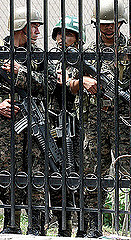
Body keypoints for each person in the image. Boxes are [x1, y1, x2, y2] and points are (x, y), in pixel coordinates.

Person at [67, 0, 131, 237]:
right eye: (103, 23)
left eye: (113, 23)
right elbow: (67, 81)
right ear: (96, 25)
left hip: (125, 121)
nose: (108, 27)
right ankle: (91, 226)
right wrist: (82, 81)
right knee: (93, 173)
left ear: (121, 23)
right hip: (94, 121)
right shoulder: (87, 53)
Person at [0, 7, 56, 235]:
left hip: (34, 120)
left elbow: (51, 85)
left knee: (37, 171)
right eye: (33, 26)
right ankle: (11, 222)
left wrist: (22, 72)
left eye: (38, 26)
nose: (38, 30)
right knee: (7, 170)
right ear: (20, 28)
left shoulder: (39, 55)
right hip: (7, 123)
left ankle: (36, 225)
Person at [48, 15, 85, 236]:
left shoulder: (83, 59)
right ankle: (63, 224)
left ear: (77, 39)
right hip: (52, 122)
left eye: (69, 34)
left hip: (77, 123)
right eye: (60, 34)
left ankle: (83, 224)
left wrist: (70, 80)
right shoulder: (48, 59)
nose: (63, 38)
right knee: (55, 173)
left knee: (77, 172)